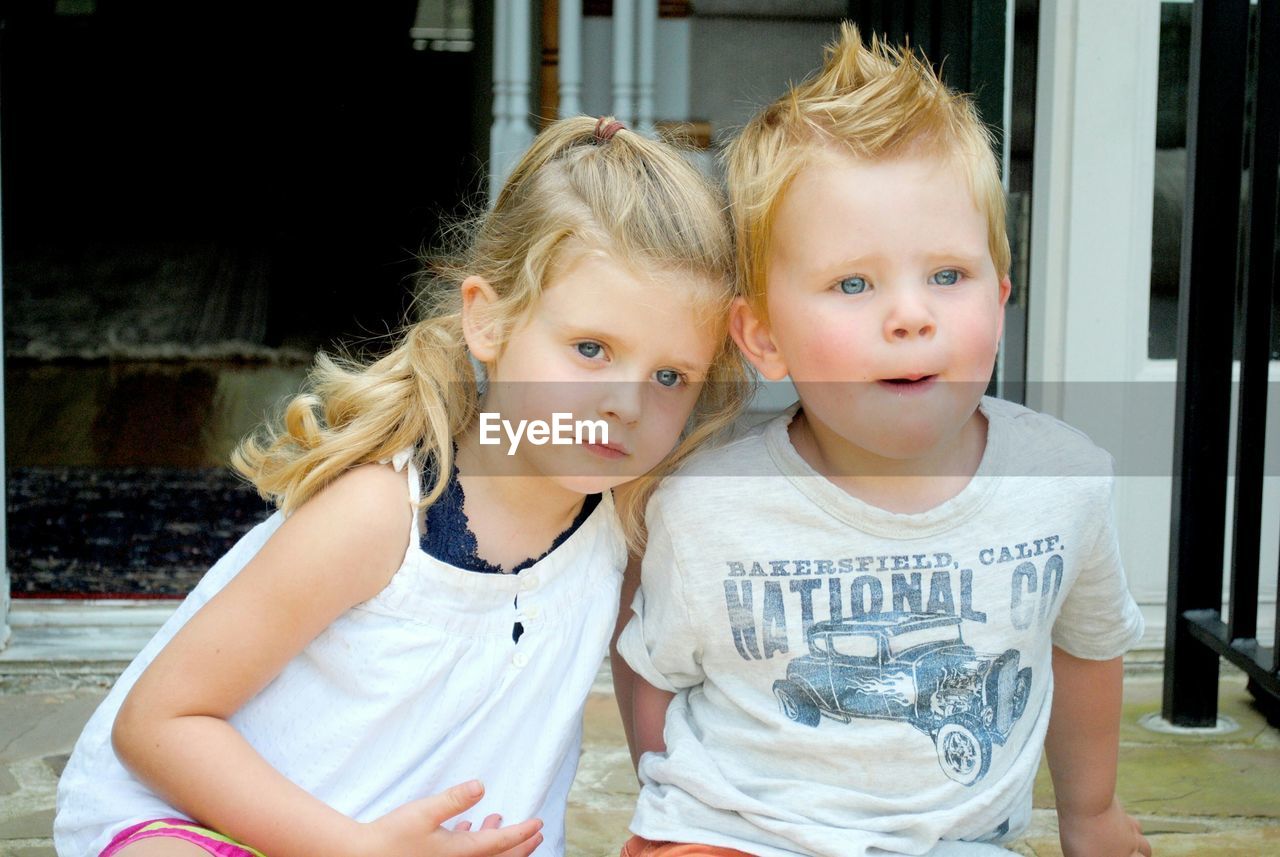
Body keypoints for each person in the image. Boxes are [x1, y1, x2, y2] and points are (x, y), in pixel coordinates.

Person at [54, 115, 751, 857]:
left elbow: (661, 717)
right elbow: (157, 724)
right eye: (590, 348)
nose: (628, 403)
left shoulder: (627, 523)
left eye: (670, 375)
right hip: (221, 824)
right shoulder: (382, 514)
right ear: (488, 320)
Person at [613, 26, 1152, 857]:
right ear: (763, 338)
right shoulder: (706, 505)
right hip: (744, 831)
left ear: (1000, 296)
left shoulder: (1063, 480)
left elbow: (1086, 648)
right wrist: (672, 798)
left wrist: (1092, 812)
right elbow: (653, 664)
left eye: (947, 274)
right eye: (853, 283)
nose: (911, 314)